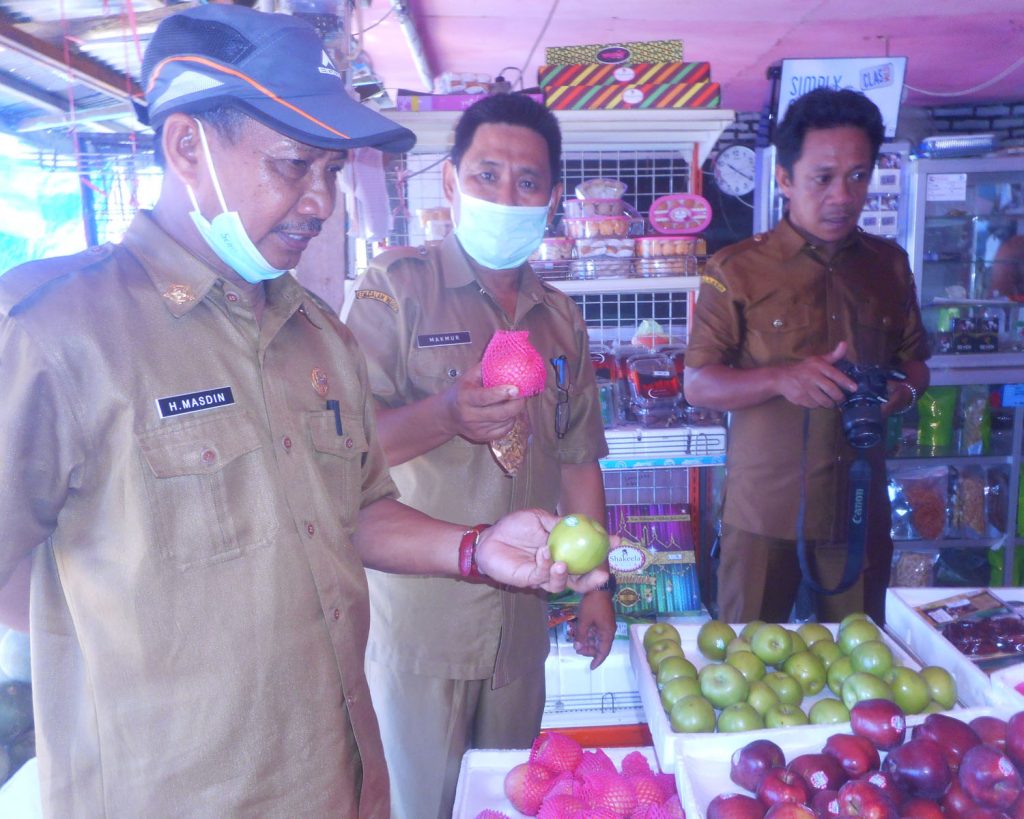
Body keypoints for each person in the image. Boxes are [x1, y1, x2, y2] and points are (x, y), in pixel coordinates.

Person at [0, 7, 606, 818]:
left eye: (332, 171)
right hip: (179, 790)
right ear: (188, 147)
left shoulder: (315, 335)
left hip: (337, 772)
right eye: (294, 166)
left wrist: (475, 549)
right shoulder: (57, 332)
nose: (320, 201)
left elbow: (350, 512)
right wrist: (116, 643)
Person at [344, 93, 615, 819]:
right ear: (451, 183)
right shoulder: (396, 289)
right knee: (421, 803)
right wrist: (443, 416)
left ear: (551, 198)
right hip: (420, 625)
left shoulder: (561, 319)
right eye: (487, 174)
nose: (505, 195)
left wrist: (595, 585)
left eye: (527, 182)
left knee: (511, 798)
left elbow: (579, 455)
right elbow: (343, 446)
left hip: (522, 625)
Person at [684, 87, 931, 626]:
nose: (843, 194)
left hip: (857, 508)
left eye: (858, 176)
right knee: (748, 671)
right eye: (823, 178)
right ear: (785, 179)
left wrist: (903, 392)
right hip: (763, 512)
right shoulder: (735, 270)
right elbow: (698, 384)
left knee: (861, 667)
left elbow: (916, 363)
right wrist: (781, 379)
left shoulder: (887, 266)